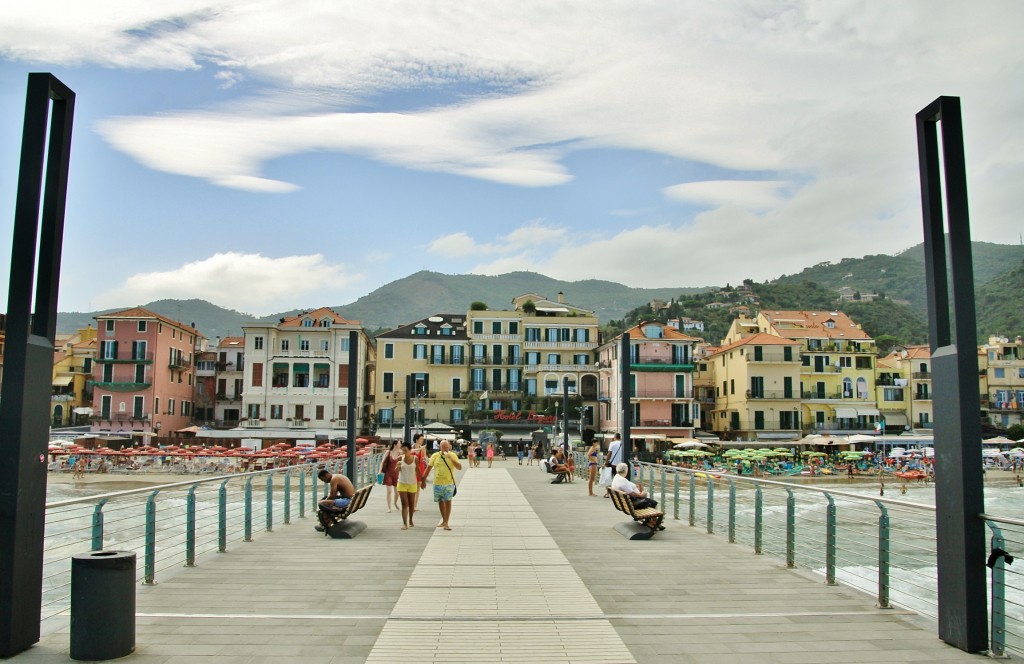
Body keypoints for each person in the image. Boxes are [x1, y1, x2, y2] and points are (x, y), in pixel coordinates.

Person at [422, 439, 462, 530]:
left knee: (448, 501)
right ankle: (444, 520)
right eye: (444, 447)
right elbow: (428, 468)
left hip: (449, 482)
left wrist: (451, 458)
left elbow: (459, 467)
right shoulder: (435, 456)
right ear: (440, 447)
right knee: (440, 501)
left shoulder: (453, 455)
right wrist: (423, 480)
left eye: (447, 447)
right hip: (437, 483)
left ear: (449, 447)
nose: (446, 449)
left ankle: (446, 522)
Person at [611, 463, 663, 530]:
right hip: (634, 505)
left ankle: (652, 522)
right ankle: (655, 523)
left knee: (649, 501)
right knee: (654, 503)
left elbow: (630, 492)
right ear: (625, 470)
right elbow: (632, 493)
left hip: (626, 504)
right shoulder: (622, 480)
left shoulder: (616, 478)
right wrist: (641, 495)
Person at [397, 442, 419, 529]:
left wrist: (423, 480)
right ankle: (405, 523)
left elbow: (417, 470)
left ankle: (410, 520)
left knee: (411, 503)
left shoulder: (415, 459)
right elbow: (397, 471)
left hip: (412, 483)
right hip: (402, 482)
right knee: (404, 503)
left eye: (406, 450)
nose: (404, 452)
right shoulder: (400, 458)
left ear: (410, 450)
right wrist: (398, 466)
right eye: (402, 450)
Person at [380, 440, 402, 512]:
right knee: (389, 491)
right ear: (395, 444)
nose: (400, 444)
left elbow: (410, 451)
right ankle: (389, 508)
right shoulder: (388, 452)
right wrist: (379, 472)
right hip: (388, 474)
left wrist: (420, 449)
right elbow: (382, 462)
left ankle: (395, 502)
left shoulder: (400, 453)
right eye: (399, 443)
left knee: (397, 492)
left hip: (397, 475)